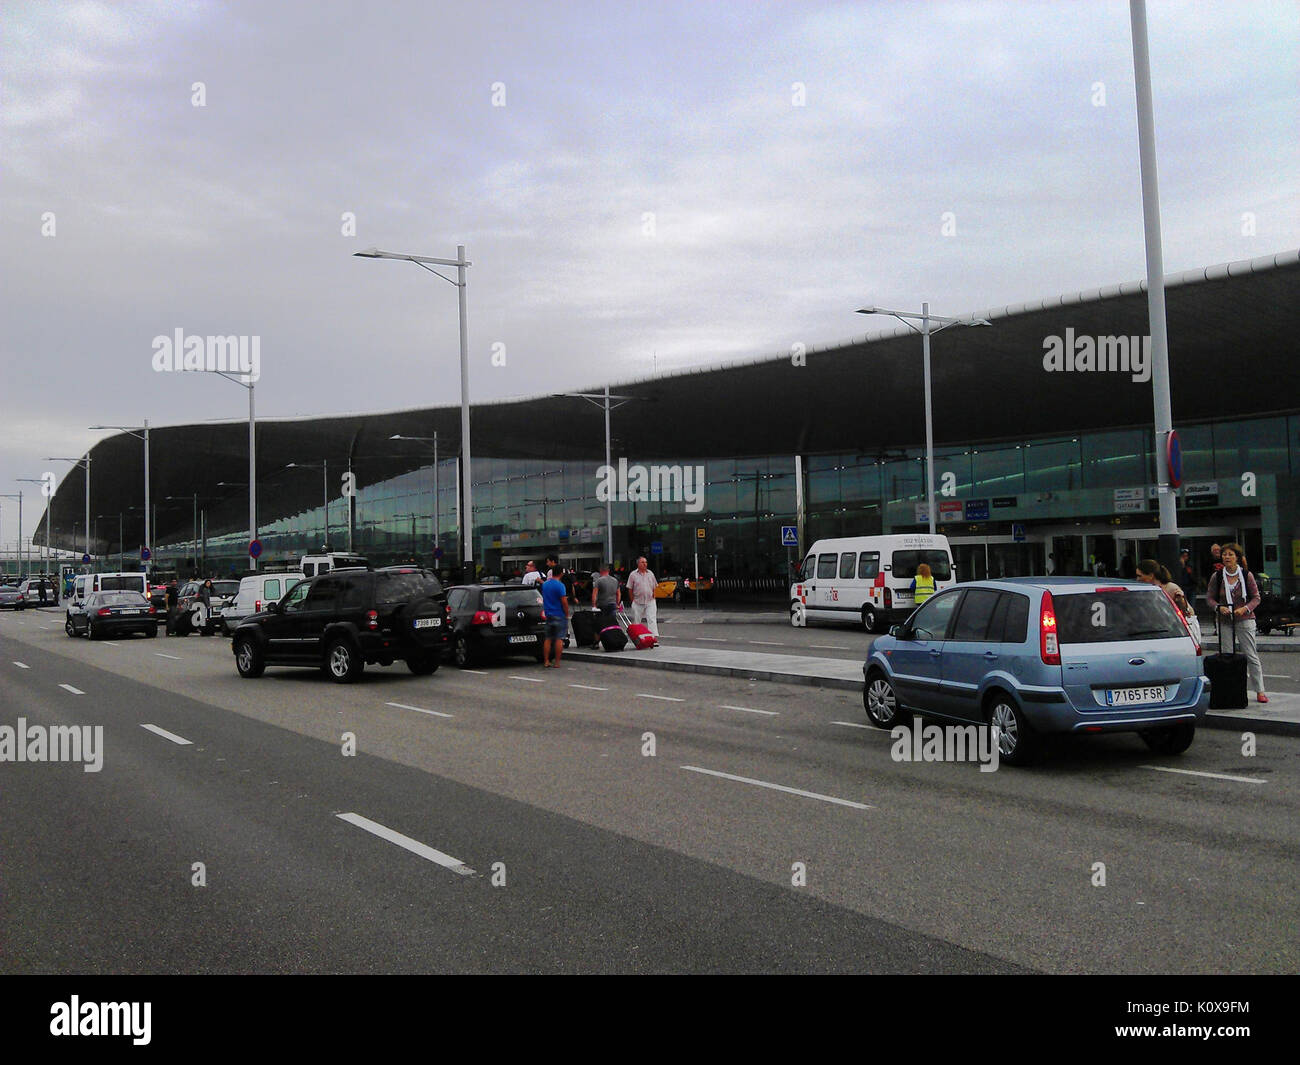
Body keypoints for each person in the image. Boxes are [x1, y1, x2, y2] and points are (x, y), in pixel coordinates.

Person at [1206, 543, 1267, 704]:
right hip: (1225, 620)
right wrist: (1219, 608)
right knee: (1227, 655)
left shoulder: (1246, 575)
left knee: (1250, 654)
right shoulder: (1217, 576)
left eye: (1230, 554)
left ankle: (1260, 690)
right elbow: (1210, 598)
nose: (1227, 557)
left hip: (1245, 619)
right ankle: (1231, 689)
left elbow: (1256, 597)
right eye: (1225, 554)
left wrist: (1245, 608)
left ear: (1237, 557)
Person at [1136, 559, 1200, 644]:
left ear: (1151, 575)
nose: (1137, 579)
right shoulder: (1144, 590)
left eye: (1140, 576)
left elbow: (1188, 612)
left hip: (1173, 633)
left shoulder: (1170, 588)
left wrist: (1180, 601)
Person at [540, 565, 570, 668]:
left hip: (548, 614)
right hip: (559, 614)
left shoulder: (545, 585)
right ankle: (557, 662)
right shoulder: (560, 585)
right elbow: (564, 601)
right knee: (559, 639)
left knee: (548, 639)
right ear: (561, 573)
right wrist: (566, 613)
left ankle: (546, 661)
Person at [627, 556, 659, 637]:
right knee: (636, 620)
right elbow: (630, 588)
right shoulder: (633, 575)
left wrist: (654, 594)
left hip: (650, 601)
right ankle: (637, 636)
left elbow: (655, 585)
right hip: (638, 601)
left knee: (652, 619)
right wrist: (632, 600)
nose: (645, 564)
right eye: (643, 562)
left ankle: (653, 637)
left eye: (646, 562)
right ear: (638, 564)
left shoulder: (650, 573)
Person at [591, 562, 620, 629]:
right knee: (612, 623)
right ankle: (612, 636)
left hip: (602, 605)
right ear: (608, 571)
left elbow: (594, 595)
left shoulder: (598, 581)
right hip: (613, 605)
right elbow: (618, 594)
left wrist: (594, 605)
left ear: (600, 571)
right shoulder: (615, 580)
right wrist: (617, 604)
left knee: (602, 624)